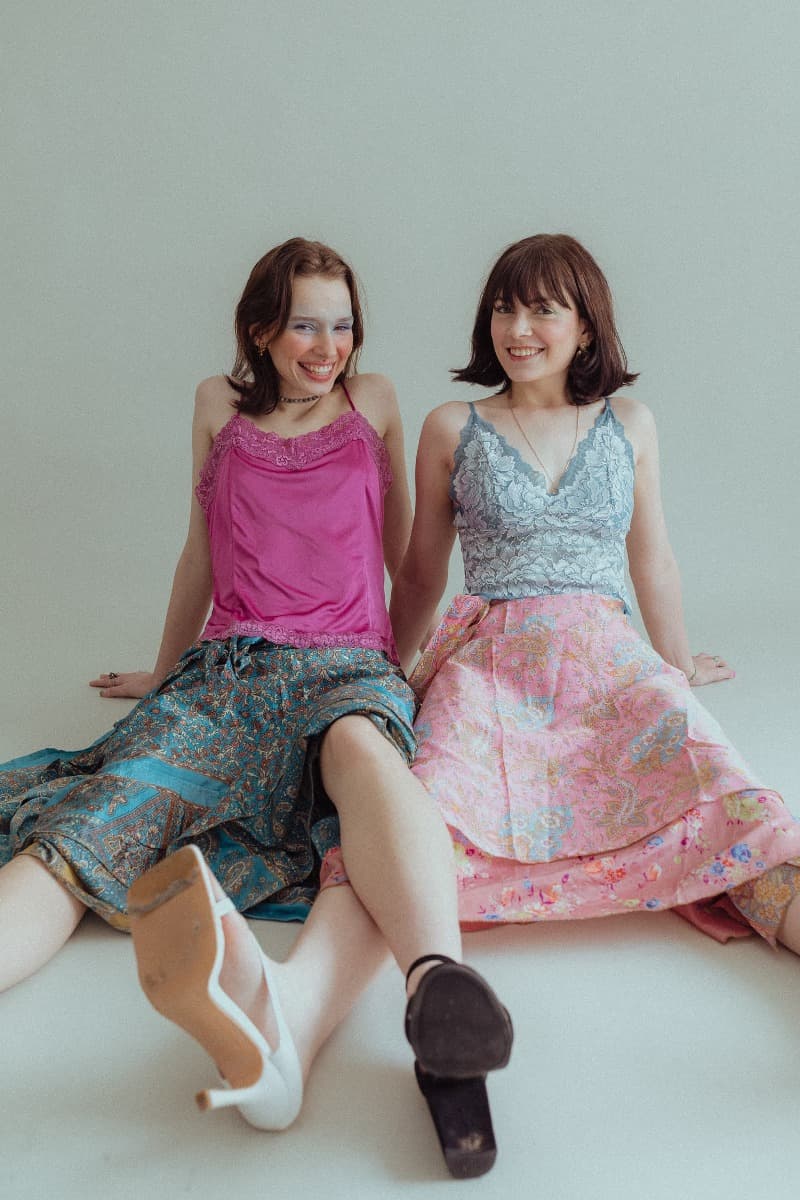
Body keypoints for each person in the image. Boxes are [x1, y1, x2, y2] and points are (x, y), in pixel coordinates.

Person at [0, 238, 512, 1180]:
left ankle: (440, 980)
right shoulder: (215, 408)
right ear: (261, 329)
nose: (328, 346)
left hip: (348, 665)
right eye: (306, 325)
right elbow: (199, 550)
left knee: (363, 754)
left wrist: (392, 673)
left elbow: (405, 564)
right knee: (91, 821)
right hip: (228, 670)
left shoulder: (378, 403)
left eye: (344, 324)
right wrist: (165, 672)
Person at [390, 233, 800, 952]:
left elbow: (655, 560)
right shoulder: (452, 426)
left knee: (728, 801)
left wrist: (674, 667)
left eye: (542, 310)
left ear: (585, 326)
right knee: (422, 815)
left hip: (607, 657)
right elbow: (423, 569)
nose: (517, 330)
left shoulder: (630, 424)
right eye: (502, 309)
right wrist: (390, 671)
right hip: (490, 664)